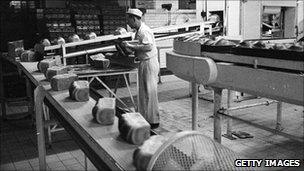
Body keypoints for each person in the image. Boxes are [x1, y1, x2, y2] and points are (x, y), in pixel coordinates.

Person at [122, 8, 160, 129]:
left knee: (150, 92)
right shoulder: (138, 31)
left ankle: (153, 121)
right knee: (144, 92)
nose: (128, 24)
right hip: (144, 62)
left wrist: (131, 47)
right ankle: (146, 118)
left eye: (129, 21)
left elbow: (148, 46)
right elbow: (141, 44)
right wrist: (130, 46)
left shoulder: (144, 31)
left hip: (149, 62)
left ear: (134, 19)